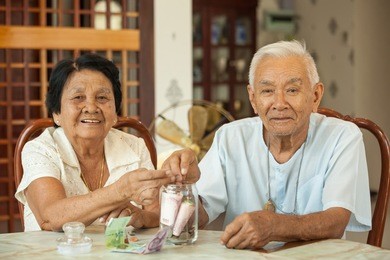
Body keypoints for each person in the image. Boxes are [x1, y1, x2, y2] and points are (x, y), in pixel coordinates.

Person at [162, 40, 371, 249]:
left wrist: (274, 226)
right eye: (267, 91)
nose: (279, 104)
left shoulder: (342, 137)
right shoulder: (230, 137)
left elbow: (336, 221)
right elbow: (198, 217)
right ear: (253, 99)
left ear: (315, 96)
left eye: (292, 90)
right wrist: (180, 189)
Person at [15, 53, 174, 232]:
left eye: (102, 98)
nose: (91, 107)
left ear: (115, 113)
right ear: (56, 113)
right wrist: (120, 191)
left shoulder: (134, 146)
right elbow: (50, 217)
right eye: (78, 97)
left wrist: (141, 217)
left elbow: (157, 213)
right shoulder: (40, 149)